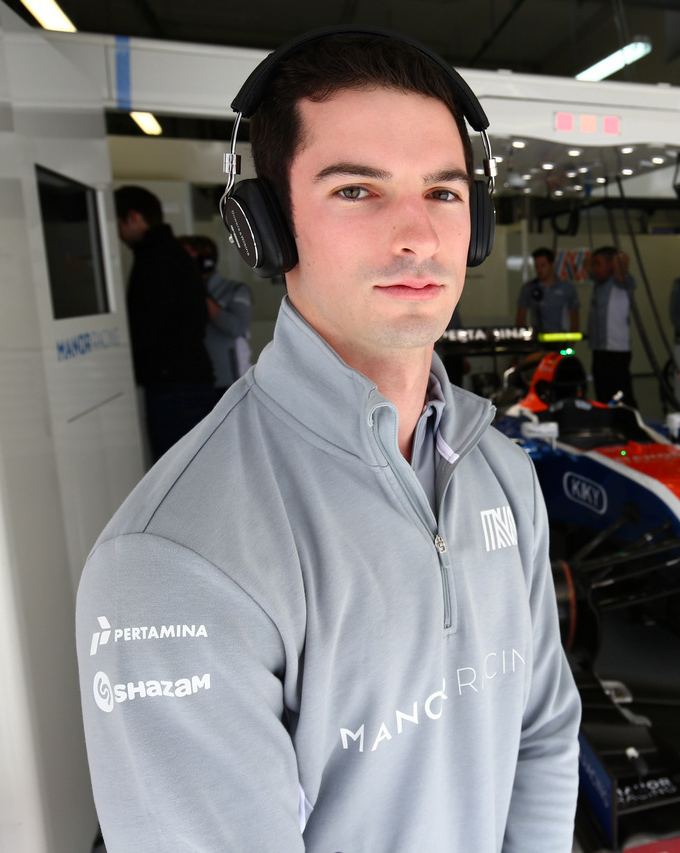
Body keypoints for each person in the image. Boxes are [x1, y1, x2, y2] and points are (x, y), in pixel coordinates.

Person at [78, 30, 581, 853]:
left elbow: (543, 733)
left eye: (445, 193)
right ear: (266, 229)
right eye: (357, 191)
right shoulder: (170, 560)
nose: (417, 234)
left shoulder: (500, 471)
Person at [115, 185, 215, 462]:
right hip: (189, 380)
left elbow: (145, 327)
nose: (118, 234)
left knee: (177, 478)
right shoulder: (174, 254)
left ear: (133, 217)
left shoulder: (154, 260)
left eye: (118, 224)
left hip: (173, 387)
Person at [179, 234, 254, 393]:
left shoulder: (235, 290)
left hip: (228, 381)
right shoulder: (179, 293)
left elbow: (237, 327)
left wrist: (198, 291)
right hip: (191, 380)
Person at [586, 245, 637, 408]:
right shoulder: (599, 284)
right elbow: (586, 265)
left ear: (610, 264)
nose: (594, 268)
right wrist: (595, 260)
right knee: (602, 393)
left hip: (616, 351)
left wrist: (613, 257)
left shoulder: (621, 283)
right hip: (599, 349)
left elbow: (623, 260)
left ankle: (630, 426)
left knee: (621, 395)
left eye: (598, 264)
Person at [516, 247, 579, 333]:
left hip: (560, 339)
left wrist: (571, 342)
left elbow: (574, 318)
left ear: (552, 265)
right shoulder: (529, 288)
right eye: (536, 266)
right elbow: (520, 317)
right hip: (537, 340)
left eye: (543, 265)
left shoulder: (567, 288)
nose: (539, 270)